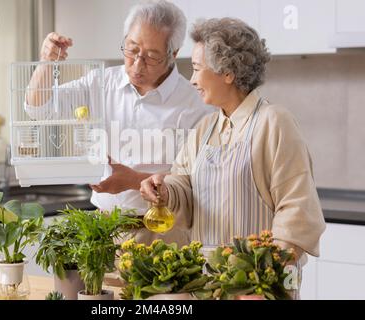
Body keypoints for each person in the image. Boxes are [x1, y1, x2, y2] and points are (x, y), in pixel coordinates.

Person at [140, 17, 326, 297]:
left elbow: (298, 211)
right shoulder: (204, 129)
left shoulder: (273, 122)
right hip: (209, 284)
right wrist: (165, 190)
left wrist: (264, 280)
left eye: (197, 69)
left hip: (258, 287)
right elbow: (185, 185)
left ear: (227, 72)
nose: (192, 80)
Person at [24, 0, 213, 246]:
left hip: (162, 233)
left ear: (173, 54)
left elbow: (200, 179)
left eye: (152, 56)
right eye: (132, 50)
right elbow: (39, 109)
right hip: (102, 228)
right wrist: (46, 63)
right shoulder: (101, 82)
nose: (136, 64)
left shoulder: (194, 103)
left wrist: (133, 180)